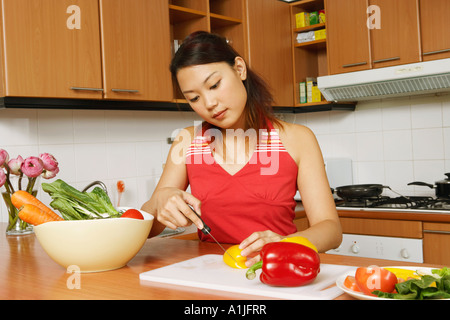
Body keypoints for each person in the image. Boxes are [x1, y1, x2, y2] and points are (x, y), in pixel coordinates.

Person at [141, 31, 342, 267]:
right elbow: (147, 229)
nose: (209, 104)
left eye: (214, 85)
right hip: (211, 277)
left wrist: (285, 243)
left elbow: (331, 229)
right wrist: (158, 202)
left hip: (278, 269)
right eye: (194, 98)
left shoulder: (298, 139)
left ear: (239, 69)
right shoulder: (186, 140)